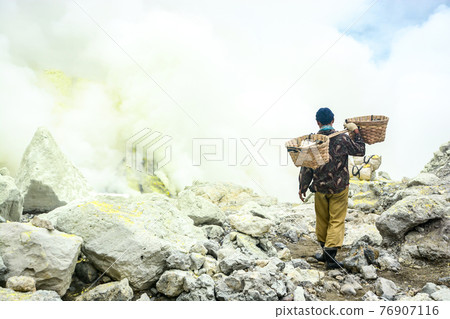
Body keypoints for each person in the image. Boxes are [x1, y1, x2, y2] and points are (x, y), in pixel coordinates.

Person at [298, 107, 365, 269]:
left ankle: (325, 253)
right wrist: (356, 131)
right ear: (333, 120)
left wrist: (303, 186)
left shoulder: (313, 142)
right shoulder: (343, 138)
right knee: (336, 220)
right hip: (339, 187)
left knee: (322, 220)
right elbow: (360, 151)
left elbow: (305, 167)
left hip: (319, 188)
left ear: (318, 122)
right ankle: (330, 258)